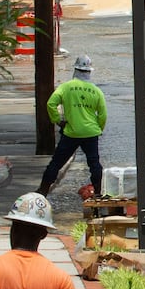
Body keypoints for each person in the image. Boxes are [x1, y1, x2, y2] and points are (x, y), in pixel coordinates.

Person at [37, 55, 106, 197]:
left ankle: (42, 191)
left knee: (56, 163)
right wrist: (98, 129)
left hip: (71, 133)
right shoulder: (96, 91)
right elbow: (103, 115)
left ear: (75, 70)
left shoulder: (66, 87)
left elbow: (51, 104)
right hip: (91, 133)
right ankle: (98, 193)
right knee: (94, 164)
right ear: (89, 72)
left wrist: (57, 120)